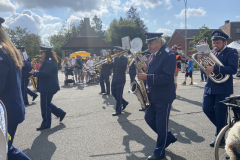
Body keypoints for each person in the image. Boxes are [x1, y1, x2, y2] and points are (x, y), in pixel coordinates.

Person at [137, 32, 177, 160]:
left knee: (161, 124)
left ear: (159, 42)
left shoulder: (168, 54)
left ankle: (159, 153)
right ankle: (168, 137)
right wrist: (146, 83)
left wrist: (147, 77)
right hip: (153, 94)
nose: (148, 46)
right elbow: (154, 71)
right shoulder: (154, 54)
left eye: (151, 43)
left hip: (164, 95)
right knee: (148, 118)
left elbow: (167, 77)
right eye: (147, 43)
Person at [0, 17, 31, 160]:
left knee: (7, 150)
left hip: (5, 112)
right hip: (12, 109)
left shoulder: (1, 52)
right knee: (7, 149)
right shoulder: (8, 50)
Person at [202, 30, 238, 147]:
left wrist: (215, 69)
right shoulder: (212, 52)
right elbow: (208, 67)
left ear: (224, 42)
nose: (215, 45)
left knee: (220, 113)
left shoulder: (231, 52)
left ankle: (220, 137)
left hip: (223, 88)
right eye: (213, 43)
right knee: (206, 109)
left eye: (217, 43)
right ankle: (223, 128)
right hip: (210, 87)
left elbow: (233, 69)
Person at [29, 45, 66, 131]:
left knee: (45, 105)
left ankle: (46, 123)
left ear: (46, 53)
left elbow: (45, 73)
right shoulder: (48, 61)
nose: (41, 54)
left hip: (48, 87)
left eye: (42, 52)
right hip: (47, 87)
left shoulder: (49, 62)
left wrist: (35, 73)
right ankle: (60, 113)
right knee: (47, 103)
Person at [108, 46, 129, 116]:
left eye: (116, 52)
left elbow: (121, 65)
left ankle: (118, 110)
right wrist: (107, 63)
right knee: (113, 93)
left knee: (119, 95)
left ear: (120, 52)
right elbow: (110, 66)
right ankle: (124, 102)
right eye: (115, 52)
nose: (115, 53)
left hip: (121, 79)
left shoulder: (124, 58)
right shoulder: (114, 59)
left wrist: (116, 58)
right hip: (114, 79)